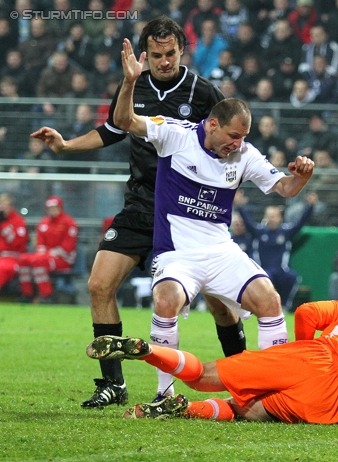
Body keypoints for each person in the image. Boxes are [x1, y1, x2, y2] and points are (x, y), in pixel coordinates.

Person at [29, 16, 241, 410]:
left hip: (188, 212)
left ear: (182, 50)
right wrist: (65, 146)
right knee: (99, 284)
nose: (164, 61)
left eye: (170, 54)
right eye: (157, 55)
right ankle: (113, 383)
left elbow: (232, 144)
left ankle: (248, 383)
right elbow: (112, 129)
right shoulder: (135, 84)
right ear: (146, 54)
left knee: (220, 303)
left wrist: (223, 199)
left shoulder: (202, 92)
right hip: (142, 205)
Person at [113, 38, 314, 400]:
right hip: (177, 253)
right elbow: (124, 120)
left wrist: (300, 178)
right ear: (212, 124)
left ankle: (270, 393)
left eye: (243, 138)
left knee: (269, 299)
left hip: (220, 251)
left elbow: (284, 189)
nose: (237, 144)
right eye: (233, 136)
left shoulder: (245, 155)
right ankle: (165, 394)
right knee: (165, 301)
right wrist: (130, 82)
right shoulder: (175, 135)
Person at [86, 281, 338, 426]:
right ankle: (185, 410)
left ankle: (148, 351)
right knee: (244, 410)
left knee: (204, 374)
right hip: (334, 397)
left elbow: (309, 312)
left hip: (313, 354)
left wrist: (302, 347)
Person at [235, 192, 316, 311]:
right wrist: (239, 205)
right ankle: (264, 306)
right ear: (265, 217)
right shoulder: (259, 232)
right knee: (265, 278)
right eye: (269, 216)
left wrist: (310, 207)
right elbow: (247, 220)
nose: (271, 219)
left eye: (274, 216)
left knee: (292, 277)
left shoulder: (286, 232)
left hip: (281, 270)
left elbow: (301, 222)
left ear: (280, 218)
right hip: (264, 269)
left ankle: (284, 306)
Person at [17, 196, 77, 304]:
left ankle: (47, 295)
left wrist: (49, 253)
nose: (52, 210)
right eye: (49, 208)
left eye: (55, 207)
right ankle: (27, 294)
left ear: (60, 207)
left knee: (38, 262)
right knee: (23, 260)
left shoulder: (69, 223)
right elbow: (39, 243)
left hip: (63, 259)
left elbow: (68, 247)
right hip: (45, 255)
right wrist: (42, 251)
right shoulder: (43, 223)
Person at [0, 193, 28, 293]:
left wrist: (4, 226)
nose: (2, 209)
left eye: (5, 206)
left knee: (1, 268)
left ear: (11, 206)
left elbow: (17, 244)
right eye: (1, 206)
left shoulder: (18, 221)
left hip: (13, 257)